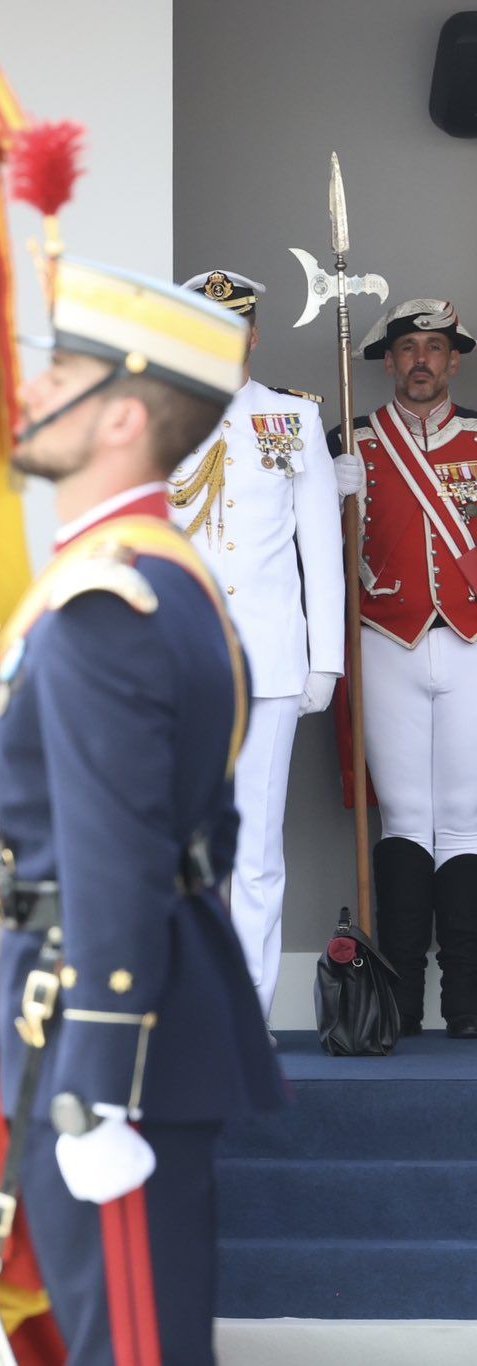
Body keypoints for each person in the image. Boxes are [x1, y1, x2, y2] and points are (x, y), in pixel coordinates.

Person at [0, 258, 284, 1363]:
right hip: (98, 1020)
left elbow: (119, 854)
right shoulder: (152, 577)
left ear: (117, 413)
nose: (25, 390)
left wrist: (95, 1087)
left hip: (108, 1051)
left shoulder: (108, 605)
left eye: (53, 369)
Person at [165, 270, 349, 1020]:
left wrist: (327, 657)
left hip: (271, 662)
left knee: (256, 852)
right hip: (181, 663)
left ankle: (245, 1015)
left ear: (254, 334)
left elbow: (320, 548)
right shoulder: (160, 419)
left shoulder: (290, 419)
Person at [335, 298, 477, 1036]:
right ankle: (396, 1003)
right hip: (385, 638)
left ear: (454, 360)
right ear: (388, 363)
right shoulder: (353, 440)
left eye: (435, 347)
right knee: (405, 821)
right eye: (408, 349)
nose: (421, 360)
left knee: (467, 822)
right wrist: (330, 490)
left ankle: (468, 1003)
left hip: (471, 642)